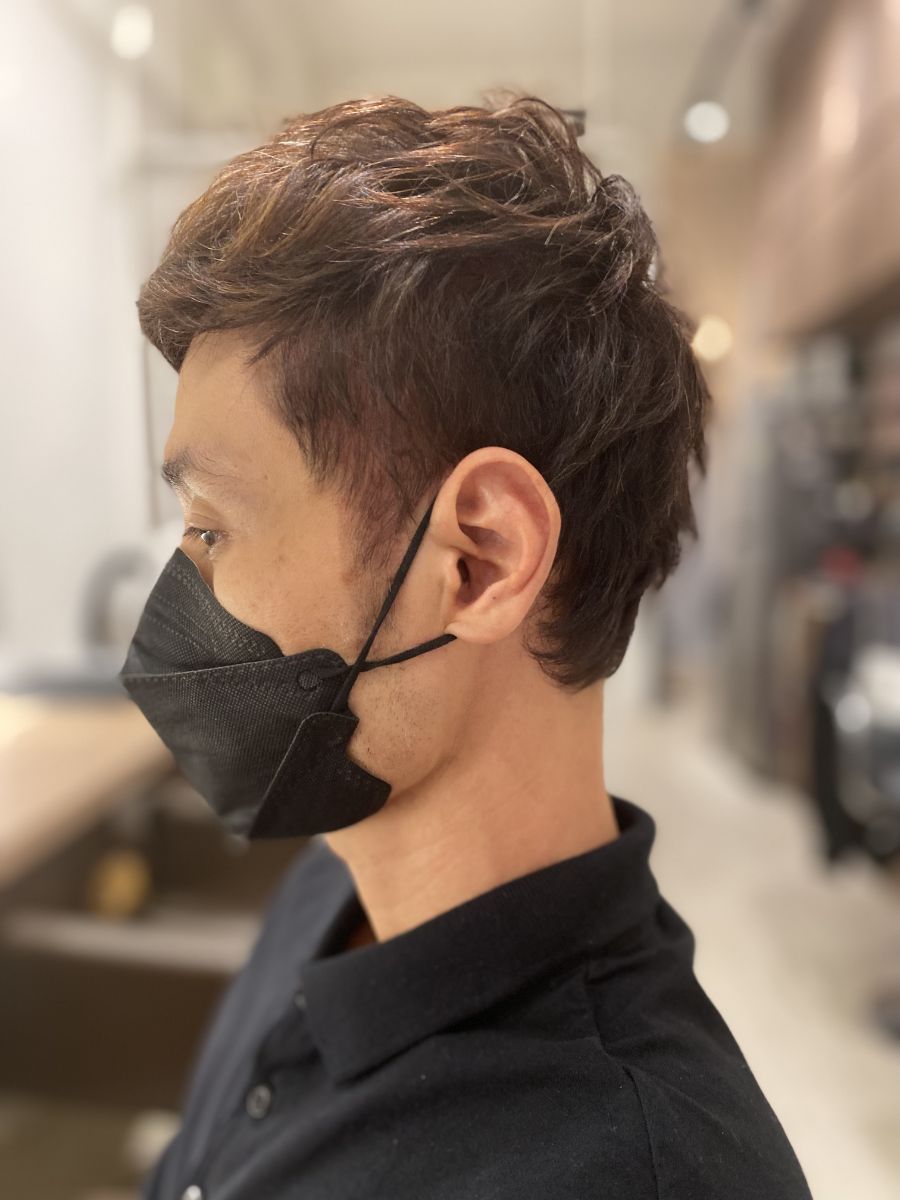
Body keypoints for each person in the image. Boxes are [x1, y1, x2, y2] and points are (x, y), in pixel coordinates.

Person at [119, 91, 813, 1199]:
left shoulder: (628, 1173)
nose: (178, 594)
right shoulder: (331, 880)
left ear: (481, 560)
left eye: (213, 527)